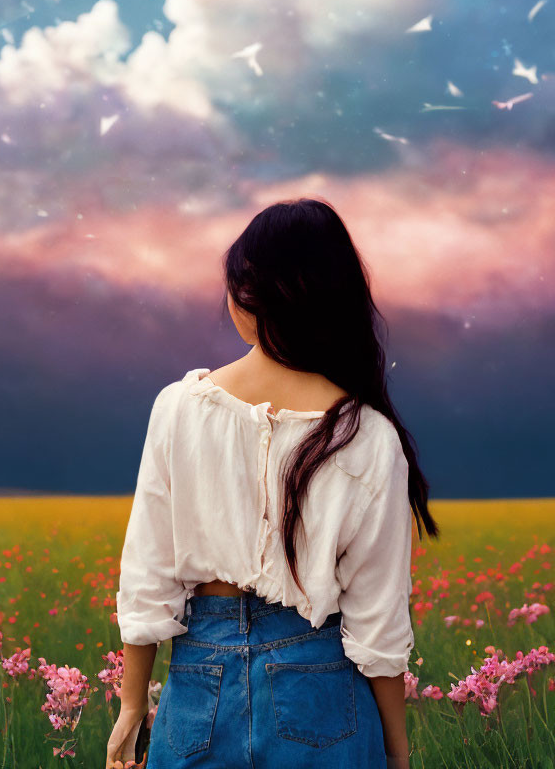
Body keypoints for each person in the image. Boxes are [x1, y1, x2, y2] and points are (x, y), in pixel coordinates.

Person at [106, 198, 440, 769]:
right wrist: (398, 753)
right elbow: (377, 626)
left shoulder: (179, 408)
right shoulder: (369, 433)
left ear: (248, 293)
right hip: (324, 693)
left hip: (196, 691)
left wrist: (132, 706)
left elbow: (147, 573)